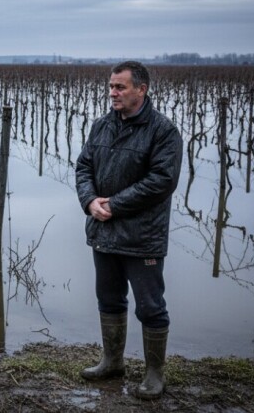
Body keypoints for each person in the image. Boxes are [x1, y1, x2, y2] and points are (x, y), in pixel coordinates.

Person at [75, 61, 183, 399]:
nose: (113, 93)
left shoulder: (163, 131)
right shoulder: (101, 126)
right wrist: (90, 200)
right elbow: (83, 166)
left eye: (120, 87)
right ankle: (112, 362)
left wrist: (114, 205)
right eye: (111, 86)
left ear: (142, 89)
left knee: (150, 306)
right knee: (108, 299)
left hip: (142, 236)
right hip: (104, 232)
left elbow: (162, 181)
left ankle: (154, 374)